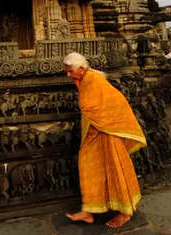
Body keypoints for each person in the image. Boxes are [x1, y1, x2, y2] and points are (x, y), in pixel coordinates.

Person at [64, 52, 146, 229]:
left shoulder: (94, 80)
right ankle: (89, 210)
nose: (68, 75)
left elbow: (115, 101)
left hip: (108, 132)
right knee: (88, 166)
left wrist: (109, 123)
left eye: (70, 71)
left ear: (80, 68)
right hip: (95, 132)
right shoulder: (85, 80)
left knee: (116, 167)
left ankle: (125, 211)